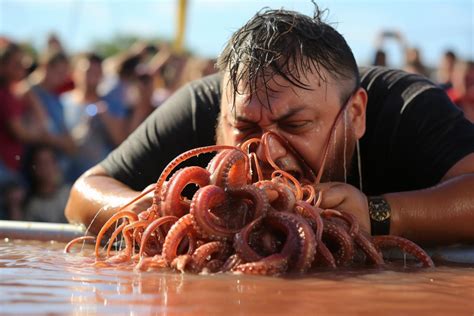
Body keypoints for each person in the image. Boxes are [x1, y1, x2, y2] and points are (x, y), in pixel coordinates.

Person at [65, 6, 474, 246]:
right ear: (222, 112)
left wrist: (379, 214)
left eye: (295, 124)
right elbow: (83, 193)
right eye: (244, 128)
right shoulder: (199, 102)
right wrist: (155, 212)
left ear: (356, 114)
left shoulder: (406, 105)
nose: (268, 151)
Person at [62, 52, 127, 180]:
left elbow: (121, 140)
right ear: (75, 73)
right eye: (88, 72)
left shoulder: (111, 105)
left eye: (97, 73)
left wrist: (106, 116)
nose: (92, 77)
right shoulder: (63, 102)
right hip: (67, 176)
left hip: (100, 177)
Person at [23, 145, 69, 223]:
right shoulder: (33, 207)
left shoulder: (69, 193)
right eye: (42, 163)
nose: (47, 167)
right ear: (34, 168)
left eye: (50, 162)